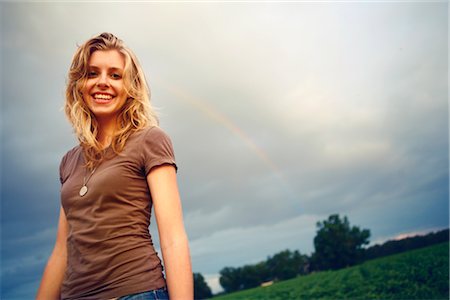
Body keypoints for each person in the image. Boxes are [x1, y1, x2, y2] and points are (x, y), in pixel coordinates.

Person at [36, 32, 193, 300]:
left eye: (115, 75)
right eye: (92, 73)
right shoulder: (68, 161)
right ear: (79, 84)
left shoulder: (150, 140)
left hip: (135, 292)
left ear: (130, 86)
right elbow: (62, 251)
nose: (103, 83)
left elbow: (173, 238)